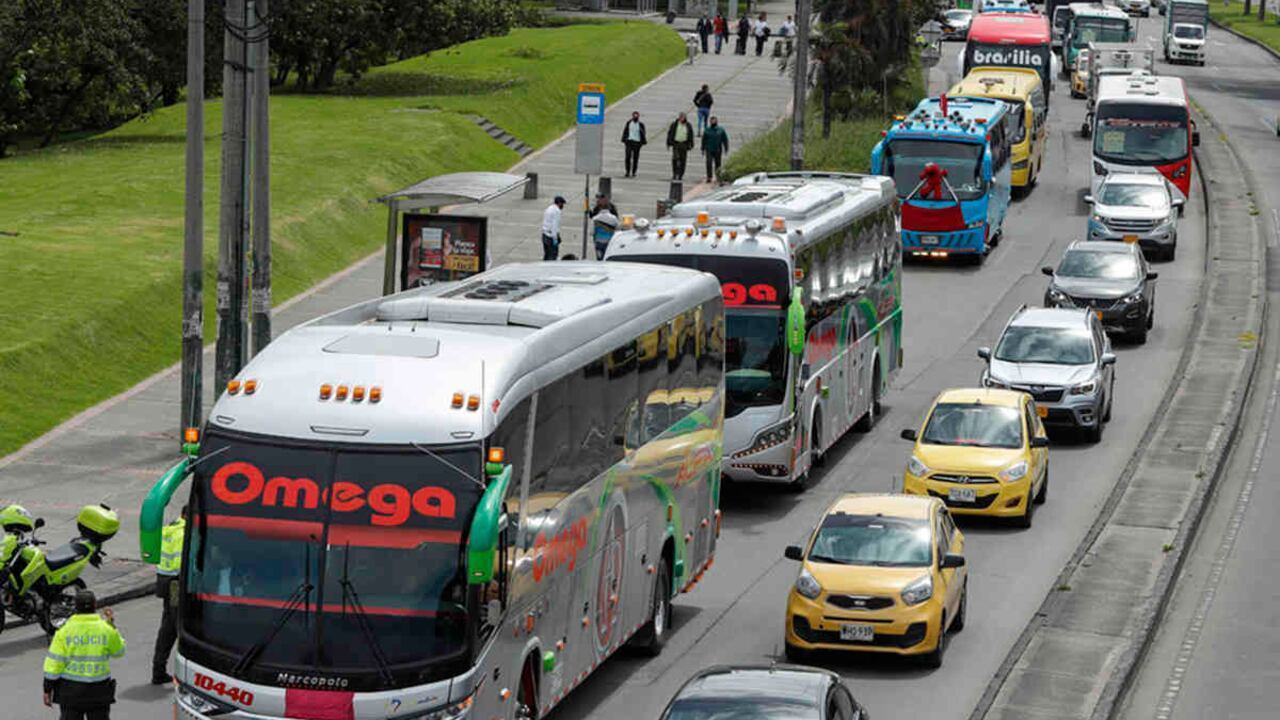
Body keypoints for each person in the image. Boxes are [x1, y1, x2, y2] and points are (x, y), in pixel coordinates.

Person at [43, 590, 126, 720]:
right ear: (95, 605)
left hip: (71, 693)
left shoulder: (64, 632)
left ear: (75, 607)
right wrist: (112, 626)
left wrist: (47, 689)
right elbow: (119, 652)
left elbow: (53, 665)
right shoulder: (105, 629)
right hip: (99, 692)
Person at [150, 506, 186, 685]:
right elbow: (181, 564)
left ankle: (158, 670)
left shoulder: (168, 529)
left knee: (168, 626)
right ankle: (184, 672)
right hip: (176, 584)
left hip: (164, 581)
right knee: (178, 625)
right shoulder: (183, 533)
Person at [590, 193, 620, 260]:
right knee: (608, 258)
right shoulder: (614, 217)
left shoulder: (595, 218)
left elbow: (591, 232)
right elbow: (618, 229)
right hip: (610, 241)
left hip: (599, 241)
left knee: (600, 259)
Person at [666, 112, 695, 181]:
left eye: (683, 117)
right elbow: (670, 133)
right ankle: (675, 173)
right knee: (675, 159)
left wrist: (691, 144)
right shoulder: (674, 124)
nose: (682, 118)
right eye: (681, 117)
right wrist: (668, 143)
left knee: (683, 160)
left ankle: (680, 174)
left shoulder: (688, 125)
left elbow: (691, 135)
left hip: (684, 144)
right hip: (676, 143)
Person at [701, 116, 730, 184]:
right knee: (709, 162)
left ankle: (718, 177)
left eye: (714, 121)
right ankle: (709, 177)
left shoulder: (720, 130)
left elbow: (725, 139)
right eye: (712, 121)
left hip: (718, 149)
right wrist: (702, 148)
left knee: (718, 164)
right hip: (709, 149)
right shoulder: (707, 130)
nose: (713, 122)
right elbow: (704, 140)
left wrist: (726, 148)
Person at [620, 111, 646, 178]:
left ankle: (634, 172)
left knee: (635, 158)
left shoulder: (641, 125)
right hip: (629, 141)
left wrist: (642, 142)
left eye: (636, 116)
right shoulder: (629, 123)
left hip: (637, 142)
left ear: (638, 117)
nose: (635, 118)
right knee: (628, 157)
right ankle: (627, 171)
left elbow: (643, 133)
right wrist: (624, 140)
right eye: (634, 116)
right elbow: (625, 131)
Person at [541, 196, 565, 261]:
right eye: (562, 204)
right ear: (559, 203)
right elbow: (554, 226)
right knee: (552, 256)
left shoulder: (549, 208)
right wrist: (555, 238)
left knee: (547, 254)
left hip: (544, 234)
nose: (563, 206)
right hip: (550, 237)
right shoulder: (557, 211)